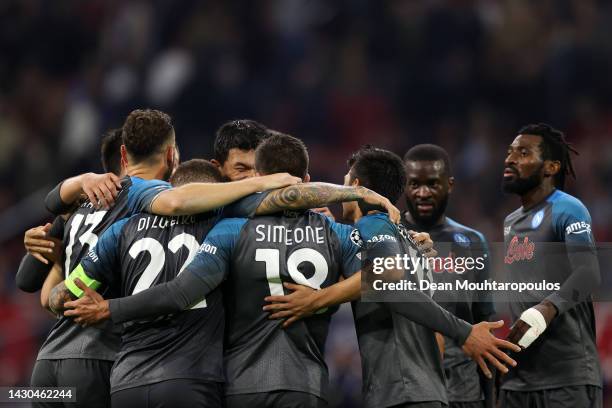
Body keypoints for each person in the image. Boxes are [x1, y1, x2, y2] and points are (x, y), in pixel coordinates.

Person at [57, 133, 397, 408]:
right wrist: (322, 297)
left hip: (222, 384)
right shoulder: (333, 232)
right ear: (305, 180)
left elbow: (179, 292)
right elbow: (391, 274)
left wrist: (101, 304)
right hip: (304, 387)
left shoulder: (228, 229)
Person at [30, 109, 297, 408]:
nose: (251, 178)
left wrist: (74, 194)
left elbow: (40, 290)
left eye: (257, 172)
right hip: (261, 384)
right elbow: (179, 289)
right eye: (242, 170)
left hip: (61, 365)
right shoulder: (235, 227)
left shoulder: (111, 223)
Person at [261, 146, 520, 408]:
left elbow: (388, 279)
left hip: (401, 392)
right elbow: (431, 330)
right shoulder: (411, 242)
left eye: (345, 187)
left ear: (357, 187)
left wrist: (315, 300)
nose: (341, 199)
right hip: (425, 390)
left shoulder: (372, 224)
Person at [499, 124, 602, 408]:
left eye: (523, 152)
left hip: (566, 378)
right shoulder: (510, 222)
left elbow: (589, 274)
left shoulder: (569, 208)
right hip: (518, 380)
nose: (509, 159)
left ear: (551, 167)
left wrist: (548, 307)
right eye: (509, 152)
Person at [402, 144, 494, 408]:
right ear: (404, 185)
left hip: (463, 392)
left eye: (432, 184)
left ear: (450, 184)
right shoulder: (386, 239)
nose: (423, 193)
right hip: (409, 389)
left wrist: (489, 399)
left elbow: (484, 323)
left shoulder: (473, 242)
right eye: (414, 184)